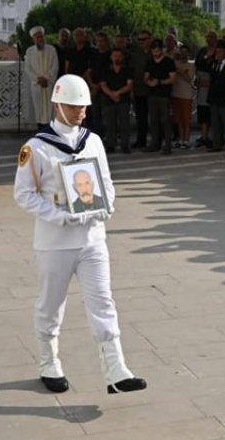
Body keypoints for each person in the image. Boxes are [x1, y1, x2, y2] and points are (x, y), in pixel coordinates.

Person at [13, 74, 146, 395]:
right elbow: (23, 194)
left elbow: (107, 182)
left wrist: (107, 206)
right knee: (51, 304)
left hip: (92, 238)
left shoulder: (93, 141)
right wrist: (57, 216)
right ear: (57, 104)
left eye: (84, 106)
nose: (80, 112)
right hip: (55, 241)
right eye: (74, 106)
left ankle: (116, 369)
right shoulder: (37, 147)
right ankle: (49, 362)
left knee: (103, 301)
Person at [143, 39, 176, 155]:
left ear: (162, 50)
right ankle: (154, 143)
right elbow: (146, 76)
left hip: (164, 95)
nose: (155, 53)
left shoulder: (168, 62)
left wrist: (160, 82)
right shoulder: (149, 62)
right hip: (152, 94)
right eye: (154, 51)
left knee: (165, 120)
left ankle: (167, 145)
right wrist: (149, 82)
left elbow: (172, 78)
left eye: (157, 50)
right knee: (153, 120)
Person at [98, 49, 134, 154]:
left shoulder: (127, 70)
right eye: (115, 55)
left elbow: (129, 85)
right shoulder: (105, 70)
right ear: (111, 57)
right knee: (110, 124)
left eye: (119, 56)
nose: (117, 58)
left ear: (122, 57)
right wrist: (112, 94)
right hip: (109, 100)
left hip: (123, 100)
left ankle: (125, 145)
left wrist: (117, 93)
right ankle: (110, 145)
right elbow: (103, 85)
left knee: (125, 124)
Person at [25, 26, 60, 129]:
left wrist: (47, 79)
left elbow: (55, 66)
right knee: (39, 110)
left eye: (41, 36)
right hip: (37, 85)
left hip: (48, 84)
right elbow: (28, 68)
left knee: (50, 110)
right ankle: (41, 133)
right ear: (33, 39)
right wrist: (38, 79)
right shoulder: (30, 51)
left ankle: (51, 133)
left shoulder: (51, 49)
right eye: (37, 37)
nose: (39, 39)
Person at [129, 31, 152, 148]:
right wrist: (131, 89)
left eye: (143, 39)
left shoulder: (155, 53)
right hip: (139, 90)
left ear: (150, 39)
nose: (141, 42)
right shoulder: (135, 54)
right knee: (140, 117)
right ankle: (141, 140)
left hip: (153, 91)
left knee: (154, 118)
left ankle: (155, 141)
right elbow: (131, 73)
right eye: (139, 40)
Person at [170, 46, 195, 149]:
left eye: (185, 52)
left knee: (186, 119)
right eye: (181, 52)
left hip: (186, 95)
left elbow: (189, 78)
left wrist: (180, 72)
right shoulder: (175, 64)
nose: (183, 54)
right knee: (178, 119)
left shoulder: (191, 65)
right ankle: (180, 139)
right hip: (176, 94)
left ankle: (187, 140)